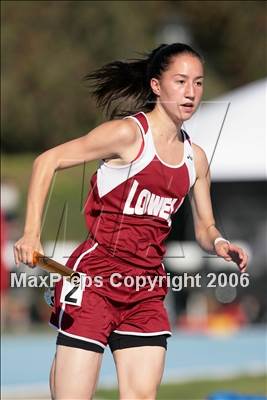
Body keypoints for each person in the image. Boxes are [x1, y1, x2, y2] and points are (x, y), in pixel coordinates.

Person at [13, 43, 248, 400]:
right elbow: (47, 161)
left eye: (198, 83)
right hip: (93, 280)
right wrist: (31, 234)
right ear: (156, 86)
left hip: (146, 290)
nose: (191, 92)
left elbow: (205, 227)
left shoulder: (195, 159)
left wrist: (218, 243)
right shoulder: (127, 135)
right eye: (181, 81)